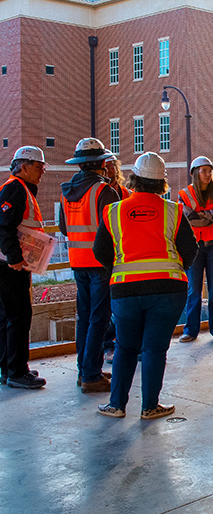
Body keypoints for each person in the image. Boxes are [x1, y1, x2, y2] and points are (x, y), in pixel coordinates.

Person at [94, 152, 197, 419]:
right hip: (168, 291)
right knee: (154, 349)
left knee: (125, 347)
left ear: (134, 179)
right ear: (162, 183)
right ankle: (149, 406)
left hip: (125, 291)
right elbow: (190, 250)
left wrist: (120, 269)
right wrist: (172, 268)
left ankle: (116, 405)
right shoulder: (173, 210)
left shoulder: (114, 211)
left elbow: (100, 252)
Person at [59, 138, 118, 393]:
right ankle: (92, 375)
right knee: (99, 318)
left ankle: (84, 370)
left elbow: (63, 227)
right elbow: (114, 230)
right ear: (101, 163)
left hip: (77, 262)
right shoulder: (104, 191)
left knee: (84, 317)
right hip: (100, 263)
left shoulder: (67, 191)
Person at [0, 146, 48, 389]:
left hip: (8, 264)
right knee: (19, 316)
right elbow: (4, 226)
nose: (42, 171)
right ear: (24, 166)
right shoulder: (15, 189)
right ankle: (17, 371)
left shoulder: (20, 189)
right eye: (39, 166)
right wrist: (15, 258)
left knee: (7, 317)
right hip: (10, 266)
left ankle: (9, 368)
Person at [178, 156, 213, 343]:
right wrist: (211, 217)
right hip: (195, 247)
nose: (208, 175)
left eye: (210, 171)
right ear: (194, 173)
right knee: (194, 289)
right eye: (204, 171)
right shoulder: (184, 195)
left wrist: (204, 215)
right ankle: (191, 330)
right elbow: (189, 218)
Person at [101, 154, 130, 363]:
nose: (109, 170)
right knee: (104, 306)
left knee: (123, 305)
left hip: (126, 257)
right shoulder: (98, 193)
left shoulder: (126, 194)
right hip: (103, 259)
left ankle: (124, 342)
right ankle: (108, 345)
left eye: (112, 166)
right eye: (105, 166)